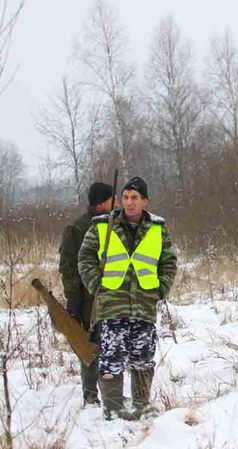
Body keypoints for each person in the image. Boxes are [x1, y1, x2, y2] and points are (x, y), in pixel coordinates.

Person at [78, 176, 177, 420]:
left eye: (134, 198)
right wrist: (97, 286)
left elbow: (168, 262)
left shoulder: (157, 229)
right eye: (125, 197)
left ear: (145, 201)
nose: (129, 202)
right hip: (112, 304)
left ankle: (142, 404)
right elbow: (85, 258)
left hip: (144, 303)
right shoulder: (103, 225)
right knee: (111, 357)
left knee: (143, 357)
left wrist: (160, 289)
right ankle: (113, 409)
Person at [59, 182, 117, 406]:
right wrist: (73, 301)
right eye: (113, 199)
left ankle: (111, 394)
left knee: (112, 345)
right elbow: (68, 268)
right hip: (87, 299)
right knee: (89, 346)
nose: (118, 203)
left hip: (112, 297)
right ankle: (91, 395)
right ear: (102, 203)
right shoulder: (77, 228)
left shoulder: (114, 224)